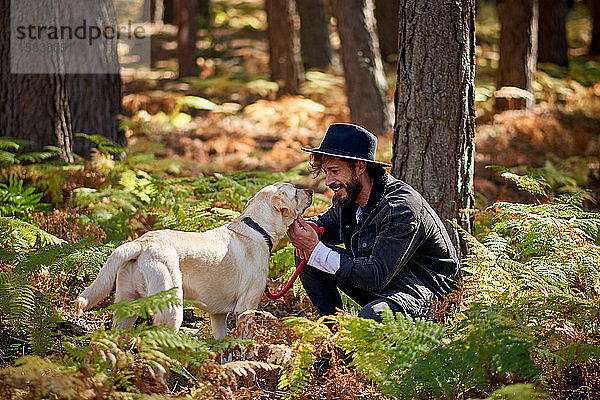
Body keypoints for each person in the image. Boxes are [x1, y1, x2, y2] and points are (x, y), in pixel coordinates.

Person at [287, 123, 459, 322]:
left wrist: (316, 249)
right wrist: (306, 228)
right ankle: (333, 336)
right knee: (307, 256)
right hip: (387, 281)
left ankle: (353, 341)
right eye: (327, 172)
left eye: (335, 171)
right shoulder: (349, 196)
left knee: (374, 315)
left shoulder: (401, 208)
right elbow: (328, 223)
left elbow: (375, 276)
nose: (328, 181)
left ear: (360, 167)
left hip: (429, 295)